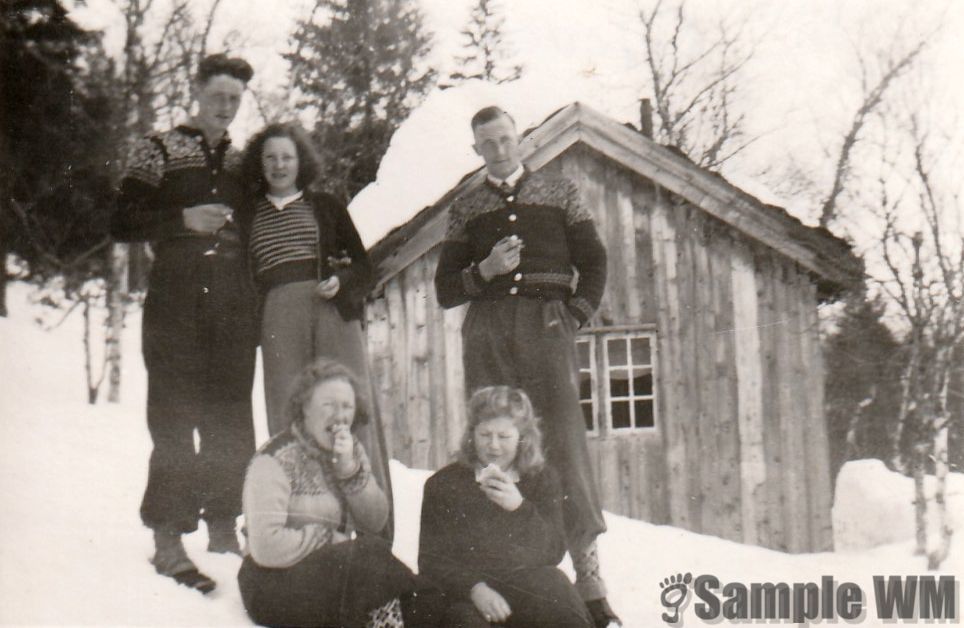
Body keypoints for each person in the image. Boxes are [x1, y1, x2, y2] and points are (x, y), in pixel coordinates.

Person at [434, 106, 620, 627]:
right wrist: (485, 269)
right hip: (488, 331)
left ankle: (589, 580)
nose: (499, 150)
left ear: (523, 140)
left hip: (546, 328)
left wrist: (575, 316)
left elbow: (596, 261)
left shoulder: (559, 192)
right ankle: (496, 573)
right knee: (492, 447)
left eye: (506, 139)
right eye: (487, 144)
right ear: (476, 150)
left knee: (564, 445)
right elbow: (446, 289)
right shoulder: (465, 208)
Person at [112, 54, 259, 592]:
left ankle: (223, 527)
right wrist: (181, 220)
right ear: (196, 94)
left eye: (236, 100)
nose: (227, 107)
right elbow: (121, 220)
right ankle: (168, 536)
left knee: (230, 419)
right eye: (219, 96)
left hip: (232, 306)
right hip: (175, 303)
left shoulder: (246, 164)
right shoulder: (159, 150)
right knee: (173, 419)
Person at [237, 122, 393, 521]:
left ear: (300, 161)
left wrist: (340, 281)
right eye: (269, 157)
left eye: (286, 156)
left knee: (350, 407)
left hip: (331, 313)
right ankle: (304, 518)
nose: (278, 165)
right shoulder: (248, 214)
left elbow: (364, 267)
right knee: (288, 411)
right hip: (277, 315)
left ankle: (370, 523)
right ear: (259, 164)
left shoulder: (324, 205)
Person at [238, 358, 441, 628]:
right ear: (304, 409)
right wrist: (328, 539)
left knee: (420, 598)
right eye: (328, 405)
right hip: (271, 583)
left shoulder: (350, 450)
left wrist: (349, 471)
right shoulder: (272, 459)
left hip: (335, 576)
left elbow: (376, 521)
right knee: (367, 557)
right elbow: (265, 548)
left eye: (347, 406)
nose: (340, 415)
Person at [418, 386, 593, 628]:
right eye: (485, 435)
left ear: (522, 437)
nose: (494, 446)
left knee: (557, 591)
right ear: (471, 434)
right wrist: (474, 589)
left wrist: (519, 508)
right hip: (464, 595)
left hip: (524, 589)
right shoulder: (443, 484)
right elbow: (431, 561)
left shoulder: (541, 479)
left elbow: (553, 551)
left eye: (504, 437)